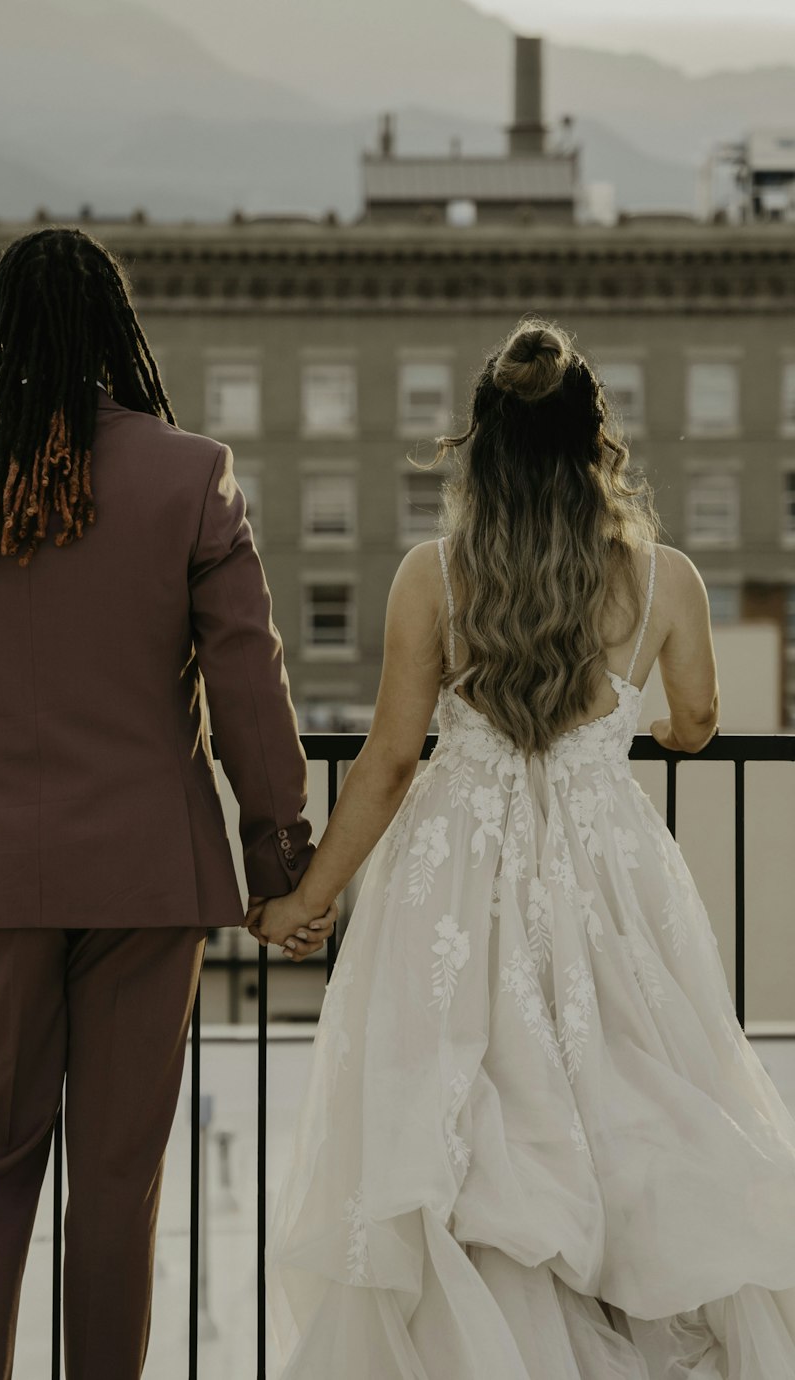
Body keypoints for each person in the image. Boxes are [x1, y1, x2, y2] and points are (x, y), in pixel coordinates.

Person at [0, 226, 337, 1380]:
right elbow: (251, 681)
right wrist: (279, 853)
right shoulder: (189, 472)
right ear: (118, 330)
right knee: (116, 1177)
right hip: (148, 878)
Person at [248, 319, 795, 1378]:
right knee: (631, 1099)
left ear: (481, 447)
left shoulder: (432, 578)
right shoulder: (666, 580)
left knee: (469, 1115)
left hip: (460, 870)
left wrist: (307, 898)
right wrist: (648, 731)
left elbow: (390, 762)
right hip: (607, 870)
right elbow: (694, 719)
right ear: (599, 446)